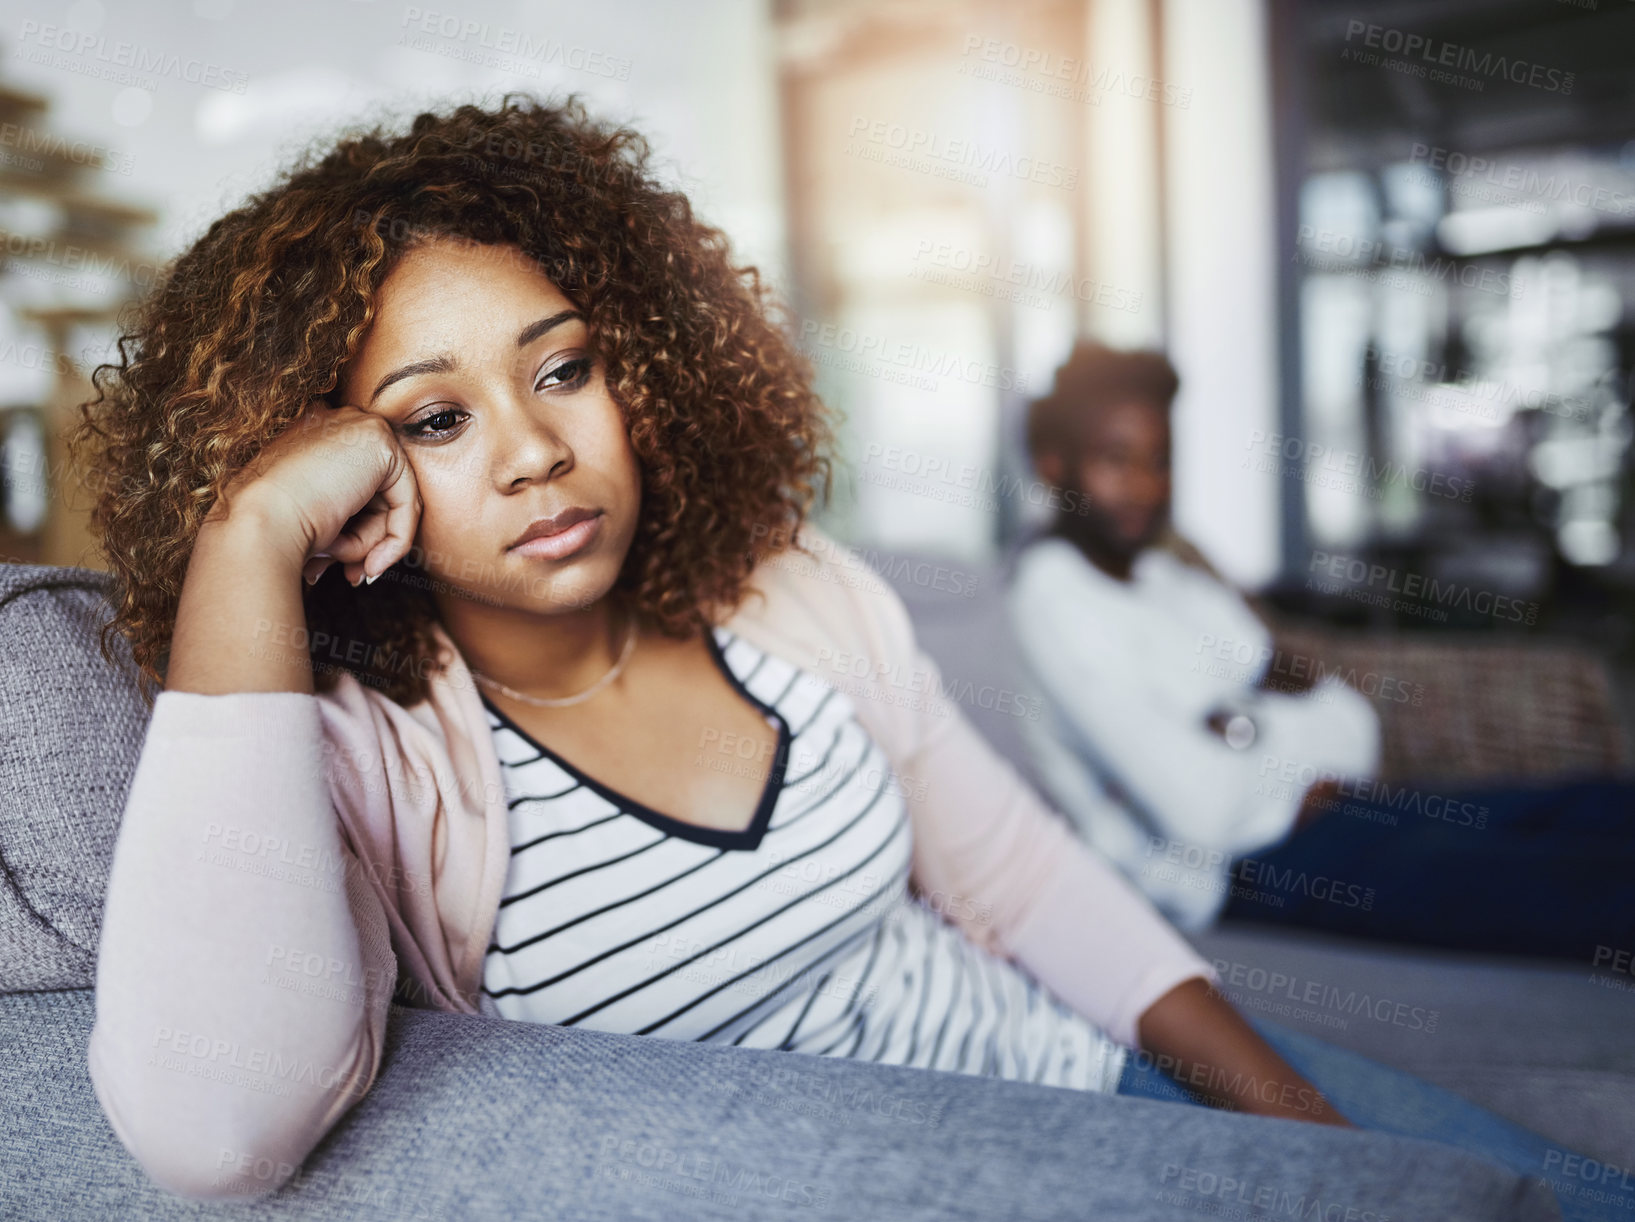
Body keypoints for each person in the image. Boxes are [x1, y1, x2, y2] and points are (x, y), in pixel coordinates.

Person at [70, 98, 1619, 1218]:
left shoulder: (790, 591)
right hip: (970, 1181)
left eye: (564, 366)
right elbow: (215, 1130)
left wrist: (1302, 1120)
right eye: (433, 416)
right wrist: (251, 536)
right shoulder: (367, 752)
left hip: (1099, 1068)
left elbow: (1022, 887)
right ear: (357, 475)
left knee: (1559, 1191)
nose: (536, 450)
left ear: (642, 369)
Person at [1004, 340, 1635, 965]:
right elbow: (1206, 815)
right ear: (1053, 464)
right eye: (1116, 460)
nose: (1145, 485)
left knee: (1593, 806)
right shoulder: (1052, 597)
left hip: (1331, 815)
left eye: (1160, 459)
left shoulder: (1166, 579)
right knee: (1576, 883)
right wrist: (1274, 735)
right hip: (1247, 872)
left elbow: (1349, 722)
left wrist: (1241, 731)